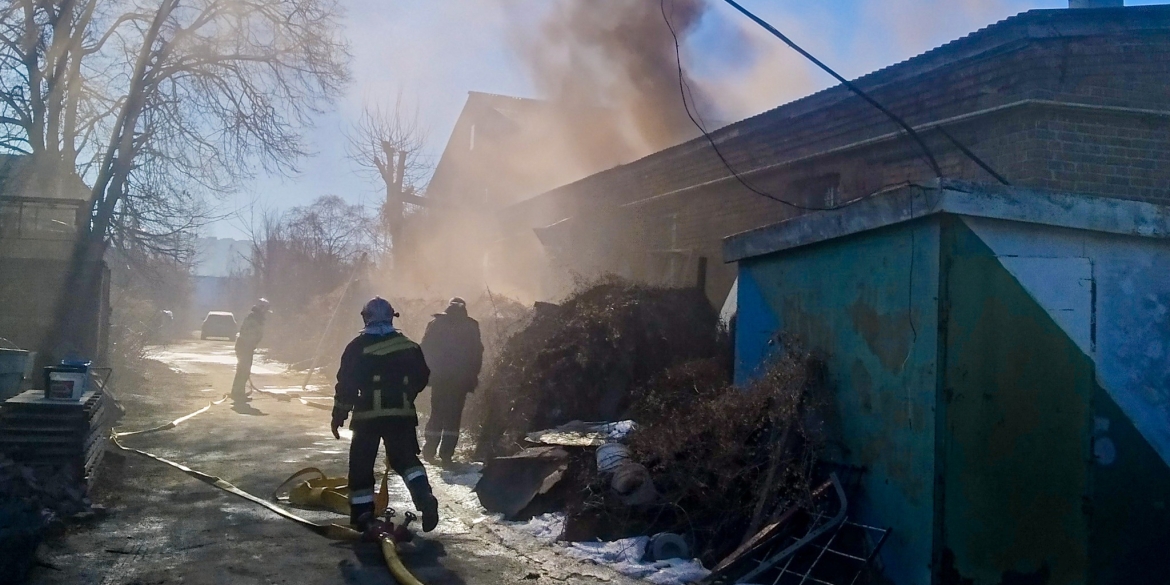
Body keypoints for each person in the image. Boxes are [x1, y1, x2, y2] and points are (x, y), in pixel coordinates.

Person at [331, 297, 439, 532]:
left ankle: (363, 515)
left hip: (367, 418)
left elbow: (346, 385)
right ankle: (424, 497)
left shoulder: (356, 348)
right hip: (401, 416)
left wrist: (339, 414)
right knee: (406, 461)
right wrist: (405, 394)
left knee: (361, 466)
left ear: (365, 318)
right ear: (392, 317)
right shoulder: (410, 347)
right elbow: (422, 378)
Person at [420, 297, 483, 465]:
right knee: (454, 416)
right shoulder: (471, 326)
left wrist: (427, 372)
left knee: (436, 413)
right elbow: (477, 353)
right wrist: (472, 375)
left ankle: (429, 451)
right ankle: (447, 454)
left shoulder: (436, 323)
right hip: (461, 381)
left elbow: (425, 348)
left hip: (439, 379)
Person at [231, 298, 269, 404]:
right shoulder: (253, 318)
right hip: (244, 346)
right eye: (265, 310)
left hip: (247, 346)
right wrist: (251, 345)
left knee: (244, 371)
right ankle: (237, 394)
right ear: (262, 308)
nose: (266, 313)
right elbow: (250, 334)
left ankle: (238, 392)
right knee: (243, 371)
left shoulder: (256, 318)